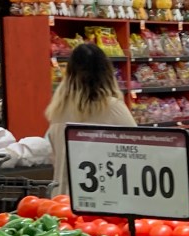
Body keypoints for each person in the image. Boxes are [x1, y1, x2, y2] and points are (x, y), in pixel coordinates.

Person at [45, 43, 136, 195]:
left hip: (61, 199)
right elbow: (140, 152)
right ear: (107, 73)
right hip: (102, 200)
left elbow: (53, 157)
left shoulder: (57, 111)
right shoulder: (113, 108)